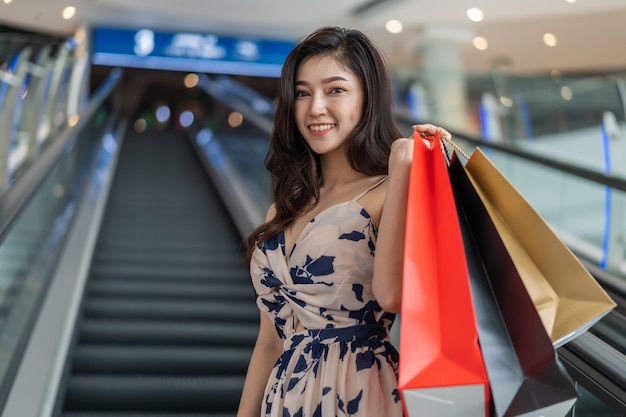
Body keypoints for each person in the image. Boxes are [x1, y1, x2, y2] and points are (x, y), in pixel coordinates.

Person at [237, 26, 451, 417]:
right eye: (302, 93)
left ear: (368, 97)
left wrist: (403, 161)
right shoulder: (283, 209)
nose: (315, 107)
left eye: (335, 90)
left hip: (358, 391)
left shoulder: (388, 190)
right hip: (286, 396)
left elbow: (391, 297)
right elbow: (270, 340)